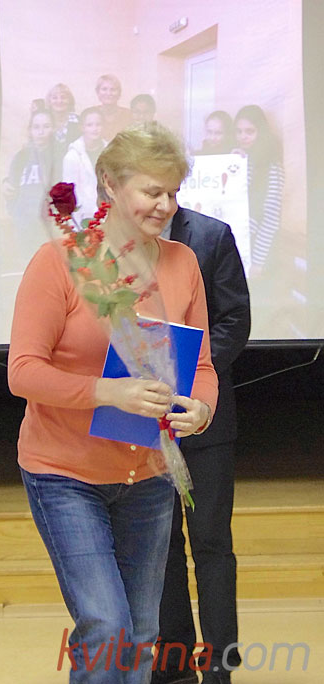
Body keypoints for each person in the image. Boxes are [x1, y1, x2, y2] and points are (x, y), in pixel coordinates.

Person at [8, 125, 218, 683]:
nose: (165, 205)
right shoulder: (60, 262)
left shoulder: (183, 263)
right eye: (152, 191)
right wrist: (108, 391)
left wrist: (200, 410)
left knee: (143, 635)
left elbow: (201, 367)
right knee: (107, 627)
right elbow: (22, 371)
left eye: (173, 193)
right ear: (109, 184)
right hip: (65, 474)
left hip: (149, 475)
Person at [151, 208, 250, 684]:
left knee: (211, 543)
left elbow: (234, 320)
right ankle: (173, 663)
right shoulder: (114, 244)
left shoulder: (211, 236)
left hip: (205, 416)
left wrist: (186, 376)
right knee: (160, 546)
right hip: (143, 417)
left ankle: (219, 665)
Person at [233, 104, 284, 279]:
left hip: (257, 251)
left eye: (249, 131)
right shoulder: (238, 158)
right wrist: (235, 163)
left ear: (260, 132)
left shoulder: (272, 167)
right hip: (235, 245)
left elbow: (271, 218)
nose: (243, 136)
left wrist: (258, 261)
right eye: (239, 131)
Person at [3, 108, 58, 263]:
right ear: (30, 130)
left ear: (53, 129)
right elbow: (12, 187)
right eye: (36, 127)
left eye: (46, 126)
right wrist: (16, 212)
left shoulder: (58, 155)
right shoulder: (21, 156)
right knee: (27, 262)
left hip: (48, 223)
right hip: (25, 221)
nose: (41, 132)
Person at [62, 106, 107, 228]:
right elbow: (70, 192)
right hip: (83, 219)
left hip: (108, 215)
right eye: (89, 125)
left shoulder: (110, 152)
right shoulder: (72, 156)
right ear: (82, 127)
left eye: (98, 124)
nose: (95, 129)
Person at [94, 73, 132, 141]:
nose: (108, 93)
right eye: (104, 89)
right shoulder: (90, 114)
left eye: (113, 90)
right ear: (97, 92)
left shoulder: (129, 115)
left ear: (119, 93)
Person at [46, 82, 81, 150]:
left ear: (69, 100)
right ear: (49, 101)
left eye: (63, 97)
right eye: (55, 98)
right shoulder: (44, 121)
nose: (59, 101)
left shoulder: (79, 121)